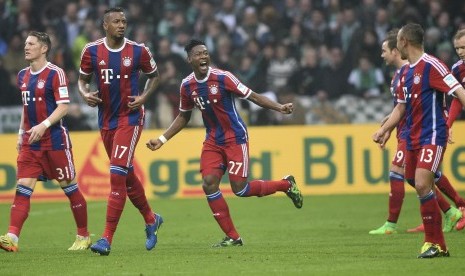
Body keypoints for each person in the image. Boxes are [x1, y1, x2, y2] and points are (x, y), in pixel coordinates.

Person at [146, 39, 303, 247]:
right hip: (212, 140)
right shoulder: (187, 85)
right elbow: (183, 117)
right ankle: (233, 237)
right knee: (209, 184)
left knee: (240, 189)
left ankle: (286, 184)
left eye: (205, 53)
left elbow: (253, 96)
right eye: (198, 54)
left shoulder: (223, 77)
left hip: (235, 137)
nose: (203, 57)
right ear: (189, 59)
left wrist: (279, 107)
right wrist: (162, 139)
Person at [372, 23, 465, 258]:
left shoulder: (432, 65)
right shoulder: (405, 72)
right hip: (412, 137)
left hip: (432, 135)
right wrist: (385, 129)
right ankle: (440, 243)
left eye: (398, 42)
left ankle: (432, 242)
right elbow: (400, 109)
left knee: (423, 182)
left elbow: (459, 92)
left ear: (404, 42)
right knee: (414, 180)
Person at [78, 7, 162, 256]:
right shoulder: (91, 51)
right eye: (116, 21)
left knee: (116, 174)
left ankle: (106, 238)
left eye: (124, 21)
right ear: (105, 25)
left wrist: (144, 96)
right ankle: (151, 218)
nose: (122, 25)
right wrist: (84, 95)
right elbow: (81, 80)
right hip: (106, 120)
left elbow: (155, 76)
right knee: (125, 174)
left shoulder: (138, 50)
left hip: (131, 118)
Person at [0, 31, 90, 252]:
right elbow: (26, 107)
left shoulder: (55, 73)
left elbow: (63, 106)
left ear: (44, 48)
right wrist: (22, 132)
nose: (26, 47)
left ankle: (83, 236)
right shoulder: (22, 75)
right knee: (23, 186)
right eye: (25, 43)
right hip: (32, 142)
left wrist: (44, 125)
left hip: (55, 140)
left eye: (31, 44)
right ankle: (12, 237)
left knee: (69, 186)